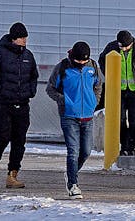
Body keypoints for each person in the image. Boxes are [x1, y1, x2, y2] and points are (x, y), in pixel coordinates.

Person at [0, 21, 39, 190]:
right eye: (21, 38)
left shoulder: (28, 56)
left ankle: (12, 175)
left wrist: (31, 91)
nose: (24, 40)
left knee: (19, 140)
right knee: (3, 135)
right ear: (13, 39)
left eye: (25, 37)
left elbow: (34, 76)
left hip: (22, 103)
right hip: (2, 103)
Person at [46, 41, 103, 199]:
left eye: (84, 61)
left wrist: (94, 102)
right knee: (73, 151)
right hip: (69, 116)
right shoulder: (62, 67)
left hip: (88, 116)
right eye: (79, 61)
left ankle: (71, 173)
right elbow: (50, 88)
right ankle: (73, 185)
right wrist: (63, 100)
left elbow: (98, 85)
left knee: (86, 151)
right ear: (73, 57)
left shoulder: (93, 67)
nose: (82, 63)